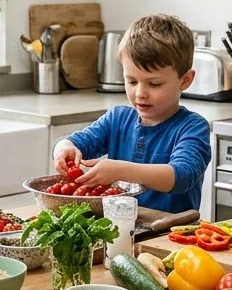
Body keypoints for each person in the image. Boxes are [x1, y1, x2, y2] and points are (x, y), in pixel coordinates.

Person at [53, 14, 211, 213]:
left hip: (169, 237)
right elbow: (75, 142)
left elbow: (181, 176)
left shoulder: (192, 127)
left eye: (154, 84)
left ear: (185, 80)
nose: (140, 93)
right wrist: (63, 148)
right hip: (120, 230)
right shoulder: (117, 119)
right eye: (132, 81)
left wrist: (119, 171)